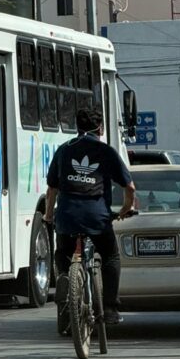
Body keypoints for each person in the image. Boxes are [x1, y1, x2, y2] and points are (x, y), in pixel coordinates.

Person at [44, 105, 135, 327]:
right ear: (100, 128)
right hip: (98, 218)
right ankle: (111, 308)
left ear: (77, 127)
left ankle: (65, 277)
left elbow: (52, 190)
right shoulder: (106, 152)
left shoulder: (64, 150)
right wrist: (125, 210)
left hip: (67, 216)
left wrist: (48, 216)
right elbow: (130, 188)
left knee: (63, 252)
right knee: (111, 256)